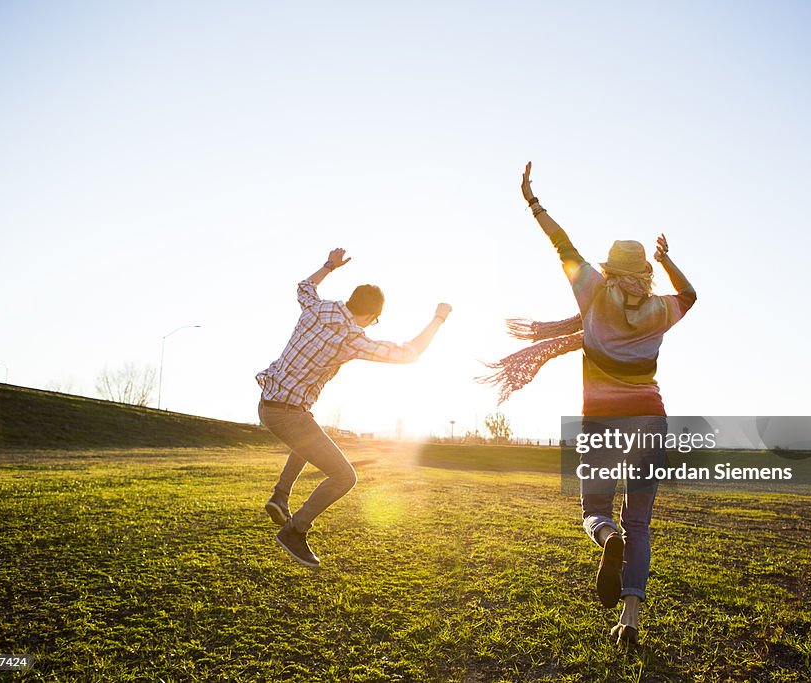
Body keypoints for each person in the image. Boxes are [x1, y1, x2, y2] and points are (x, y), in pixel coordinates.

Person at [481, 163, 696, 648]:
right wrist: (665, 261)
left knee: (594, 508)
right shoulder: (662, 308)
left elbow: (562, 245)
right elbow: (690, 294)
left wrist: (533, 202)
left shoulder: (594, 290)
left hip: (602, 421)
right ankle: (631, 620)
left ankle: (605, 538)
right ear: (642, 270)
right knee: (640, 523)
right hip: (651, 420)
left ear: (610, 267)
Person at [256, 248, 451, 568]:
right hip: (287, 413)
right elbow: (407, 354)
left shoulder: (318, 308)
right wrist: (438, 319)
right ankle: (294, 530)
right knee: (344, 476)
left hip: (269, 404)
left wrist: (330, 265)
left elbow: (304, 286)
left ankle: (280, 495)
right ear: (371, 316)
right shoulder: (351, 337)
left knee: (310, 438)